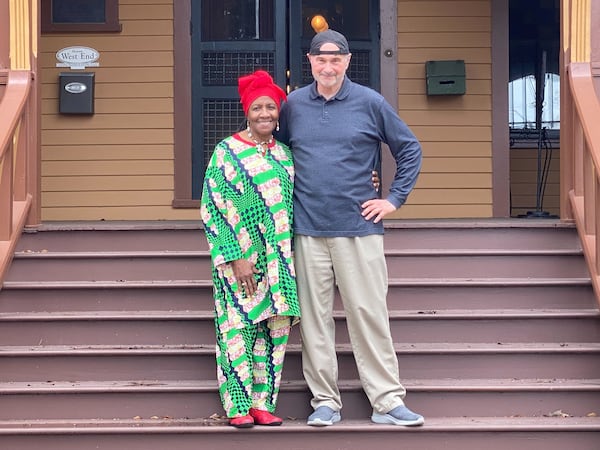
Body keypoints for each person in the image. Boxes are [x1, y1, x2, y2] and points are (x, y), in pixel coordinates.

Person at [277, 29, 425, 427]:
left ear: (346, 61)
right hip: (306, 229)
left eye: (335, 59)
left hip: (359, 228)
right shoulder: (292, 106)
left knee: (368, 314)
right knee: (313, 320)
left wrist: (392, 199)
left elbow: (409, 147)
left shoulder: (370, 102)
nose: (328, 66)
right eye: (320, 59)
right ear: (310, 61)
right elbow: (278, 154)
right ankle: (325, 402)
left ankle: (387, 401)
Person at [200, 70, 300, 428]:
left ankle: (263, 403)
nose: (264, 114)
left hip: (279, 261)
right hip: (240, 258)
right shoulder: (227, 152)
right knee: (238, 327)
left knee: (274, 330)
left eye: (271, 107)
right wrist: (235, 256)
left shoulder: (286, 155)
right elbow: (212, 205)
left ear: (278, 113)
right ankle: (238, 405)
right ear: (247, 111)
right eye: (257, 107)